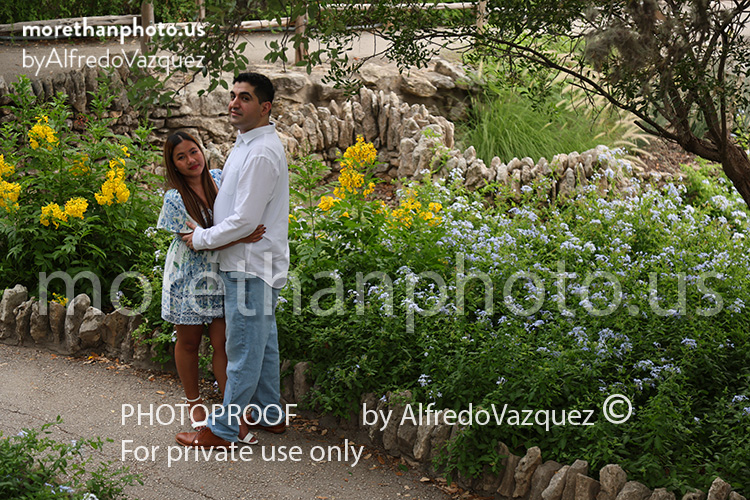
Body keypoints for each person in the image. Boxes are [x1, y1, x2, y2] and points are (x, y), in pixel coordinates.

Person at [176, 72, 290, 449]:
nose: (234, 103)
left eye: (245, 97)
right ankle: (269, 415)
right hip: (250, 260)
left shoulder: (260, 152)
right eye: (233, 95)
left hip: (249, 265)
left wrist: (201, 239)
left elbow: (245, 220)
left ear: (265, 107)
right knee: (263, 345)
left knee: (241, 350)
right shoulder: (247, 143)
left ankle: (222, 431)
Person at [158, 131, 265, 432]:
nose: (191, 160)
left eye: (193, 151)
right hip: (187, 278)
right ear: (174, 164)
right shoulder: (175, 198)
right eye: (181, 157)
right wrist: (241, 236)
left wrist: (238, 233)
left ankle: (231, 408)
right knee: (189, 342)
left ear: (202, 151)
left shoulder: (219, 179)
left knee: (224, 344)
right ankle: (194, 402)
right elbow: (194, 243)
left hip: (222, 274)